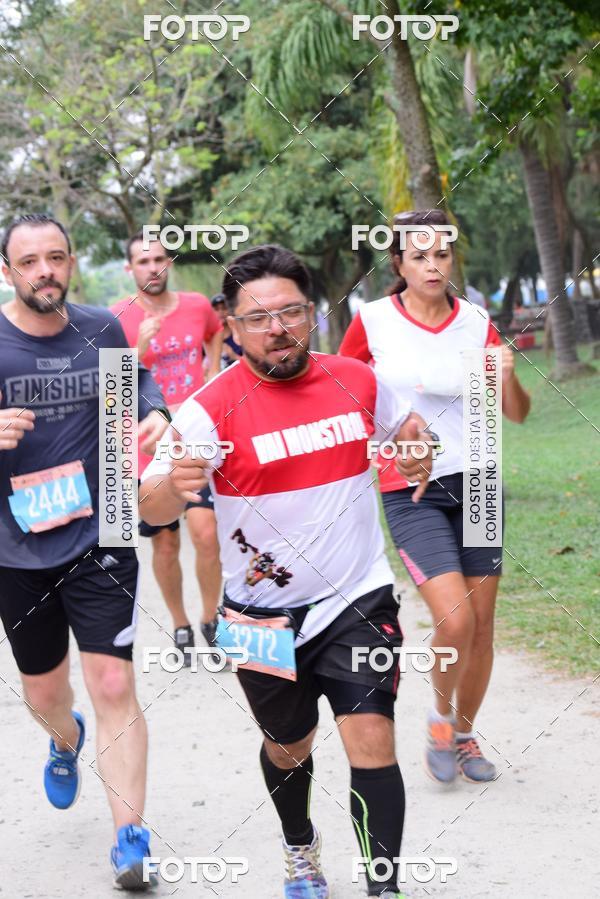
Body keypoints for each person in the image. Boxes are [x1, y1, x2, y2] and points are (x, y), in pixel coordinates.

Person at [140, 243, 439, 899]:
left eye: (291, 312)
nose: (277, 328)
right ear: (232, 324)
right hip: (259, 619)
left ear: (312, 313)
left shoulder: (354, 380)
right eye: (258, 317)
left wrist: (418, 448)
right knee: (289, 746)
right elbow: (147, 500)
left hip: (356, 599)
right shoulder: (205, 408)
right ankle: (299, 846)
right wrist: (174, 486)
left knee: (371, 737)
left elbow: (409, 428)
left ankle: (381, 886)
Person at [0, 213, 168, 888]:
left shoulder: (101, 327)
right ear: (7, 271)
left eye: (57, 257)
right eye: (30, 260)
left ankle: (130, 837)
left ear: (72, 262)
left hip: (104, 534)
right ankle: (63, 735)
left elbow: (139, 391)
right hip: (15, 548)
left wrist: (156, 411)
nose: (46, 270)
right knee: (44, 691)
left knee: (113, 680)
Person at [339, 209, 531, 784]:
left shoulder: (475, 320)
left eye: (442, 254)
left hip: (478, 482)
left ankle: (463, 735)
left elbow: (516, 414)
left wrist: (508, 375)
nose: (432, 265)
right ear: (397, 262)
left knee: (483, 624)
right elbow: (344, 401)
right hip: (412, 487)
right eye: (418, 255)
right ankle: (439, 719)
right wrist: (393, 436)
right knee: (455, 620)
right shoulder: (372, 323)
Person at [111, 233, 224, 662]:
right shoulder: (114, 316)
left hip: (195, 438)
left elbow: (215, 332)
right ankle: (179, 622)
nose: (152, 267)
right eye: (143, 261)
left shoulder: (195, 305)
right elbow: (111, 390)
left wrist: (212, 368)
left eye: (159, 259)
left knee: (207, 534)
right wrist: (137, 349)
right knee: (165, 544)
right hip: (146, 445)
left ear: (169, 262)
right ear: (130, 268)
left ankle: (211, 618)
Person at [210, 291, 242, 368]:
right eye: (216, 309)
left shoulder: (240, 334)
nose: (220, 312)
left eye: (224, 308)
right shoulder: (209, 339)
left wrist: (234, 356)